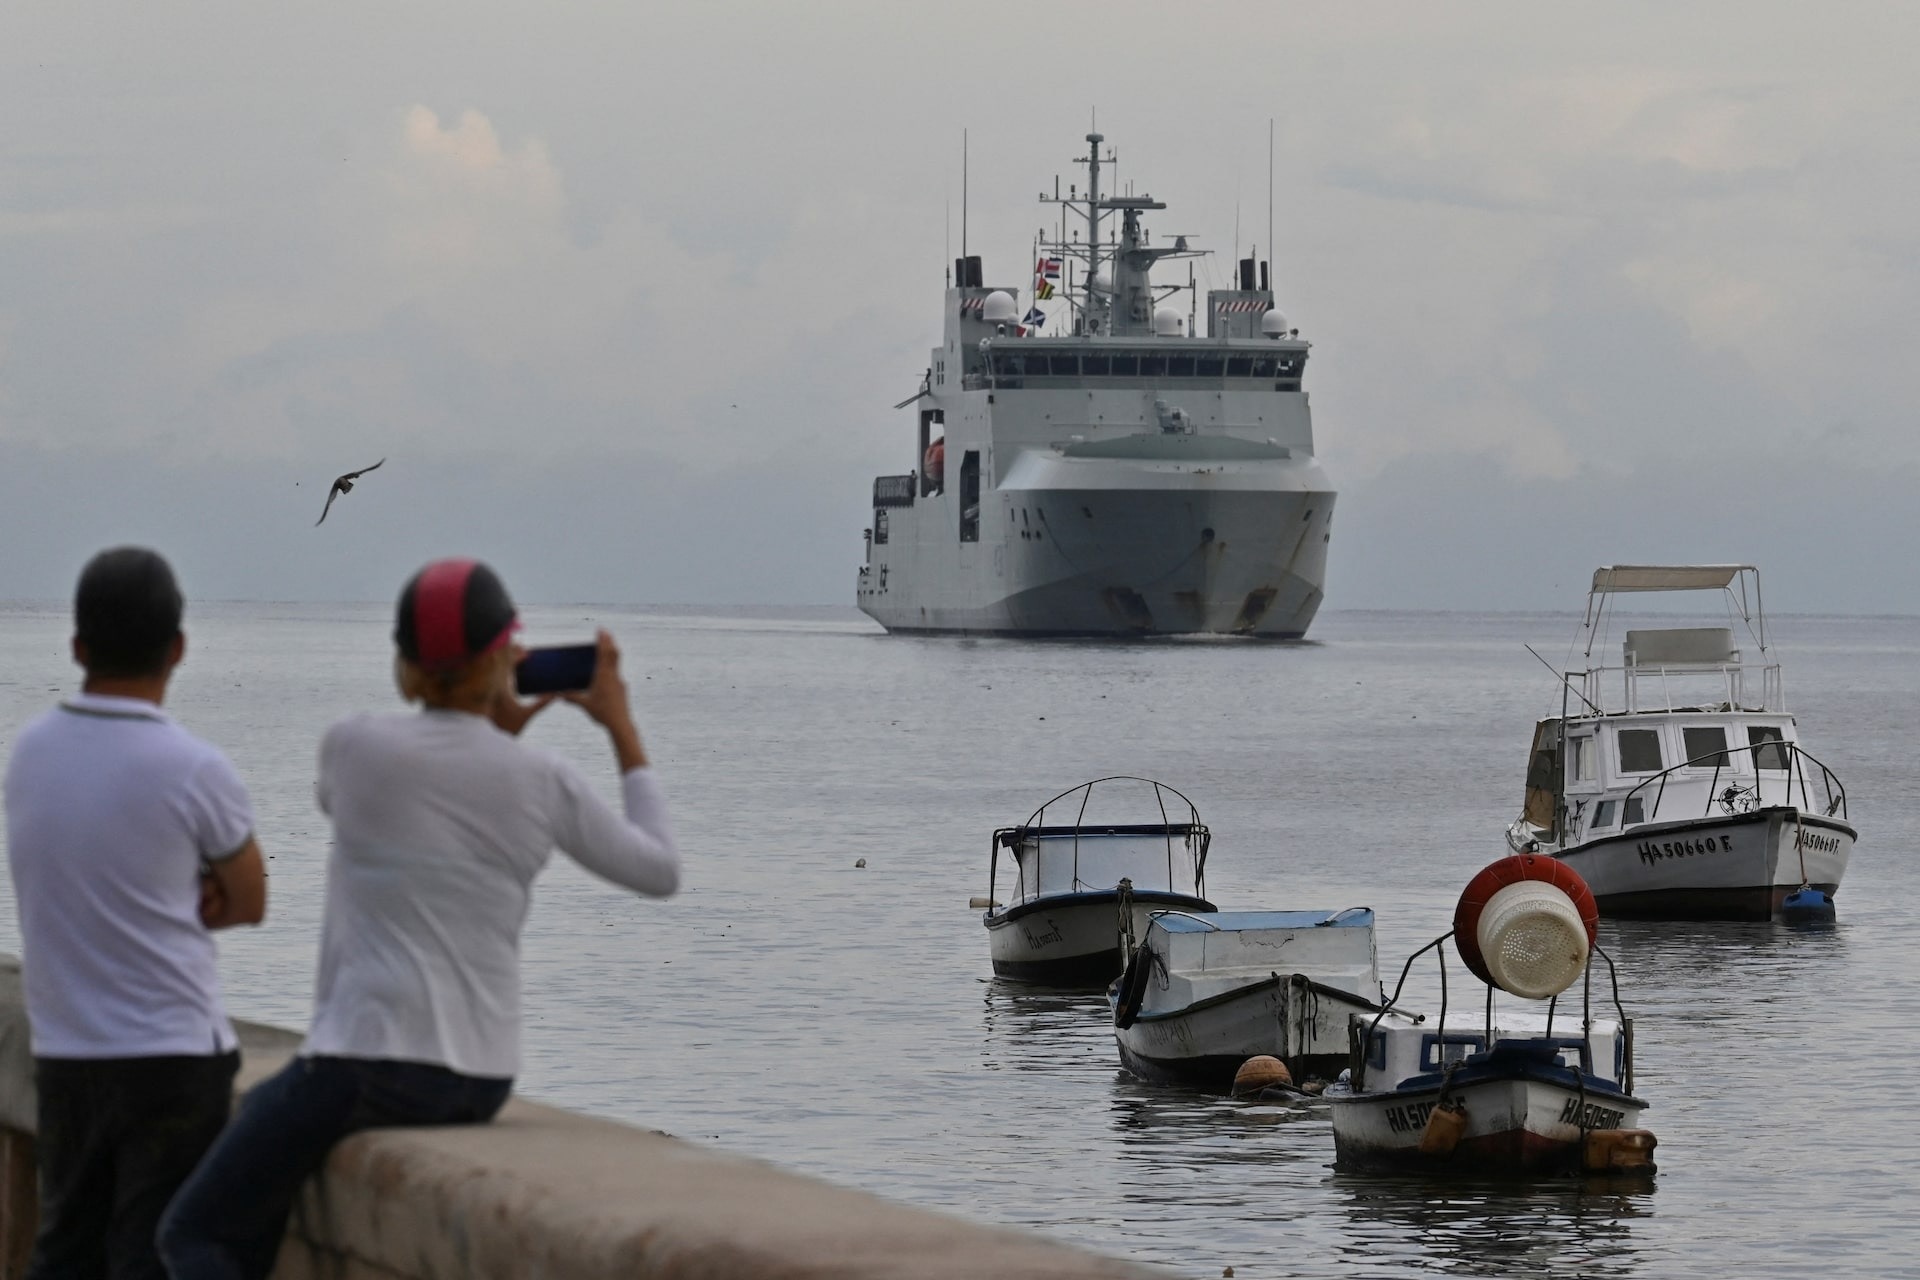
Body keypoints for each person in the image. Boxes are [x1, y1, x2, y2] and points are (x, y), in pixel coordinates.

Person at [158, 558, 679, 1279]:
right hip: (479, 1079)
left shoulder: (354, 746)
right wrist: (619, 724)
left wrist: (488, 727)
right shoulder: (542, 780)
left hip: (364, 1066)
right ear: (503, 657)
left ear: (405, 662)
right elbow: (659, 870)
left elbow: (409, 796)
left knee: (192, 1234)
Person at [3, 547, 268, 1280]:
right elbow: (250, 899)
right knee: (148, 1257)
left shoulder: (29, 754)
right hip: (173, 1060)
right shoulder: (195, 769)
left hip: (66, 1056)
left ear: (78, 647)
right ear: (178, 648)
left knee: (66, 1252)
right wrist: (176, 894)